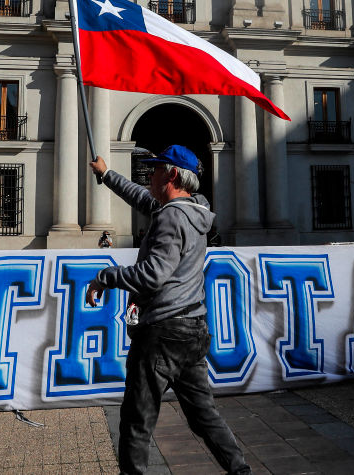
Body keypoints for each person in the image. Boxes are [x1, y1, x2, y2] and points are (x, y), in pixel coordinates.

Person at [85, 145, 250, 475]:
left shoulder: (172, 217)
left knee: (136, 421)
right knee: (204, 416)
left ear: (172, 175)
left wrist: (105, 277)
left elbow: (152, 275)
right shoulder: (193, 209)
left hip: (162, 333)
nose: (150, 174)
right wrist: (107, 175)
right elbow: (143, 200)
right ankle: (241, 471)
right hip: (192, 328)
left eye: (157, 169)